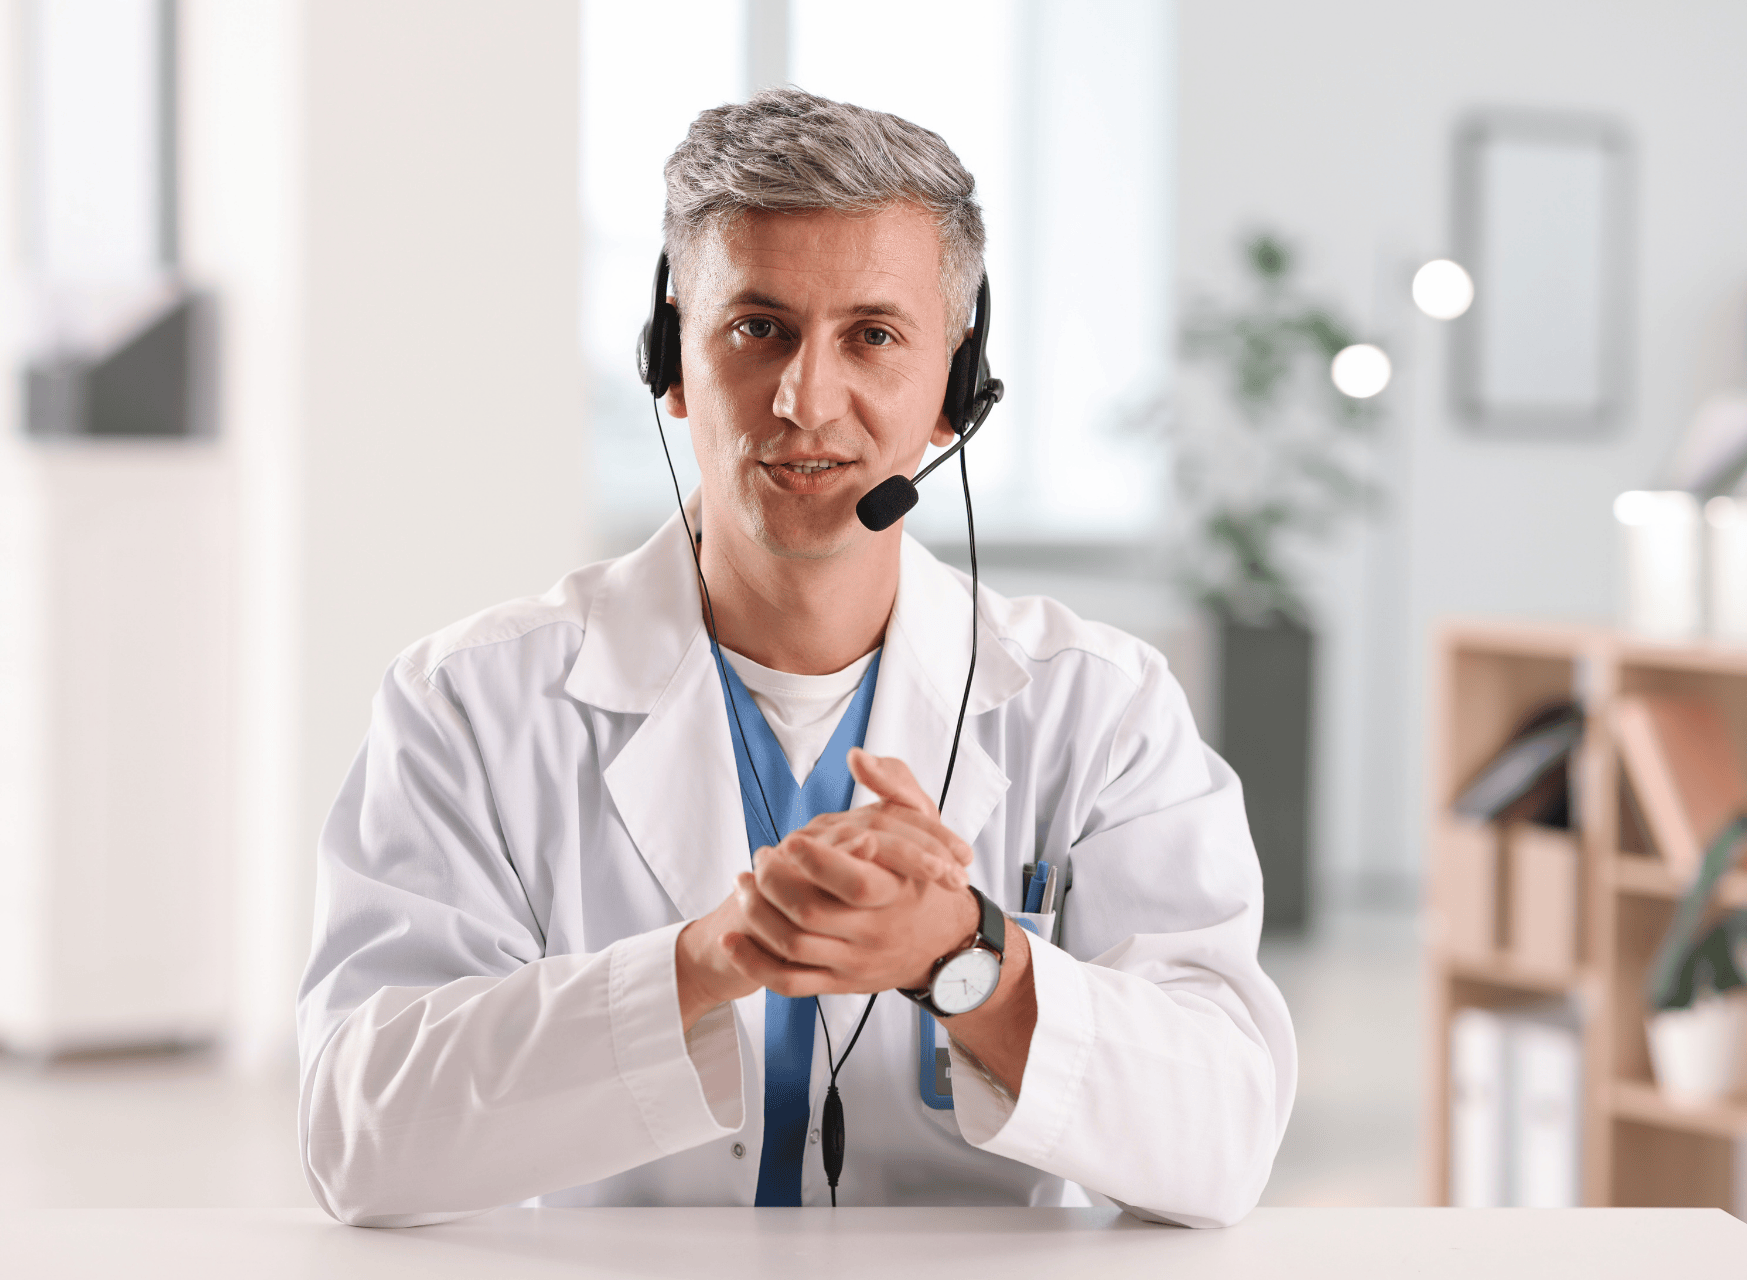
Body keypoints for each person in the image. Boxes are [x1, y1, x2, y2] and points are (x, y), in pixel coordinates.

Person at [297, 87, 1294, 1229]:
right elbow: (359, 1133)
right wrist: (709, 959)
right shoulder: (471, 702)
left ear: (953, 391)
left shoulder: (1098, 708)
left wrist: (968, 959)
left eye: (872, 335)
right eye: (756, 326)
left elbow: (1223, 1138)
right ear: (674, 359)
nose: (805, 400)